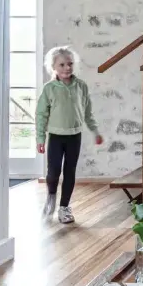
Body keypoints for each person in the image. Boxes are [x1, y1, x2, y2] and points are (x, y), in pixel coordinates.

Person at [36, 46, 103, 223]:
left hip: (75, 136)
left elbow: (88, 112)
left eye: (70, 64)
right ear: (53, 67)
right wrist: (40, 138)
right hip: (56, 137)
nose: (67, 68)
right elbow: (41, 115)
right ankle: (51, 196)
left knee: (70, 171)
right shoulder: (49, 88)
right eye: (62, 64)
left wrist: (95, 131)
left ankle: (64, 207)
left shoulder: (81, 86)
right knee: (53, 172)